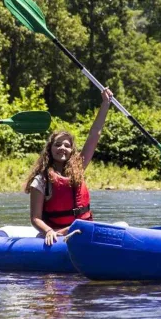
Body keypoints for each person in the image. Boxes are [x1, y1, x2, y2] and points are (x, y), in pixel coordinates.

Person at [25, 89, 114, 246]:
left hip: (82, 231)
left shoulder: (78, 168)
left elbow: (95, 134)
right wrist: (48, 231)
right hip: (56, 236)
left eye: (67, 145)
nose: (62, 148)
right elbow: (35, 218)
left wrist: (105, 104)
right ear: (50, 149)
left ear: (72, 150)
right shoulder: (41, 180)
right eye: (57, 144)